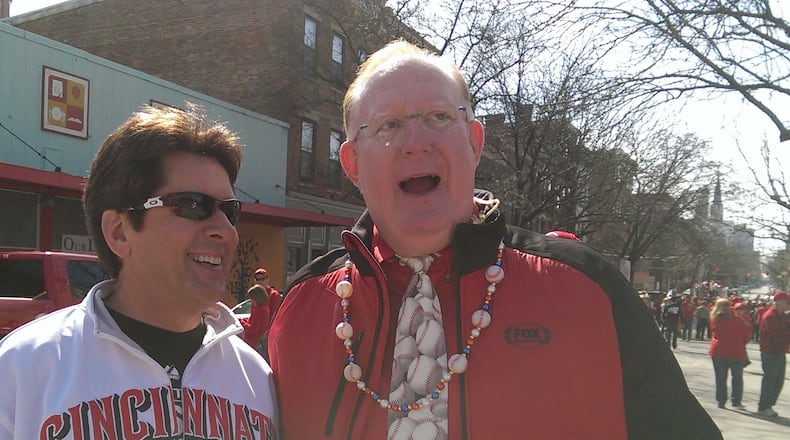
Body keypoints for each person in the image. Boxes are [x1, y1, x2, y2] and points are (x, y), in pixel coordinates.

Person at [267, 40, 720, 439]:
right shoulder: (301, 309)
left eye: (439, 116)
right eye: (388, 125)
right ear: (351, 164)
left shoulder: (588, 288)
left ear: (474, 142)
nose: (416, 141)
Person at [0, 105, 278, 438]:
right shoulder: (22, 368)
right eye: (192, 205)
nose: (225, 230)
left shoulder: (256, 378)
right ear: (119, 231)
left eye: (229, 211)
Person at [708, 298, 752, 409]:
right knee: (737, 378)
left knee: (720, 378)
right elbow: (746, 335)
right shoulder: (737, 319)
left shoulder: (714, 319)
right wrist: (741, 343)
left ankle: (721, 401)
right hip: (735, 351)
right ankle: (736, 402)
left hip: (718, 351)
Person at [757, 291, 790, 417]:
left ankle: (768, 404)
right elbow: (779, 334)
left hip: (779, 351)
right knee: (770, 379)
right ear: (779, 303)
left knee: (778, 380)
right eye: (787, 302)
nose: (789, 305)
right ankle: (764, 406)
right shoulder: (770, 316)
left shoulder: (782, 316)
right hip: (770, 352)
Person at [241, 268, 283, 355]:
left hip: (265, 337)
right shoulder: (256, 295)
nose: (259, 281)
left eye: (262, 279)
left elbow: (274, 316)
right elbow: (253, 318)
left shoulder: (273, 295)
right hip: (257, 337)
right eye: (257, 279)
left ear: (267, 280)